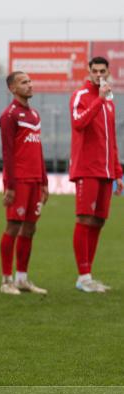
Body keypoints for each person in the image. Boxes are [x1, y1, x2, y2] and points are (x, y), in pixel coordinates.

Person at [69, 56, 122, 292]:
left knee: (99, 221)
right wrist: (98, 101)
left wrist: (118, 172)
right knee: (84, 219)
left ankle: (88, 274)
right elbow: (78, 123)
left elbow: (112, 139)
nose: (99, 75)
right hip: (87, 168)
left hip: (106, 170)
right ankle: (83, 276)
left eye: (103, 71)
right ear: (88, 71)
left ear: (109, 72)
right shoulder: (82, 95)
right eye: (95, 71)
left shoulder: (110, 101)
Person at [0, 71, 48, 295]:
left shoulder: (35, 114)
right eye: (24, 82)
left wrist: (44, 181)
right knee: (13, 227)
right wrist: (9, 185)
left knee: (30, 228)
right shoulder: (9, 115)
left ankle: (22, 279)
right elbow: (7, 152)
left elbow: (38, 149)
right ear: (12, 89)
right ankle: (6, 280)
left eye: (30, 81)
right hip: (18, 181)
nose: (29, 85)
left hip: (35, 180)